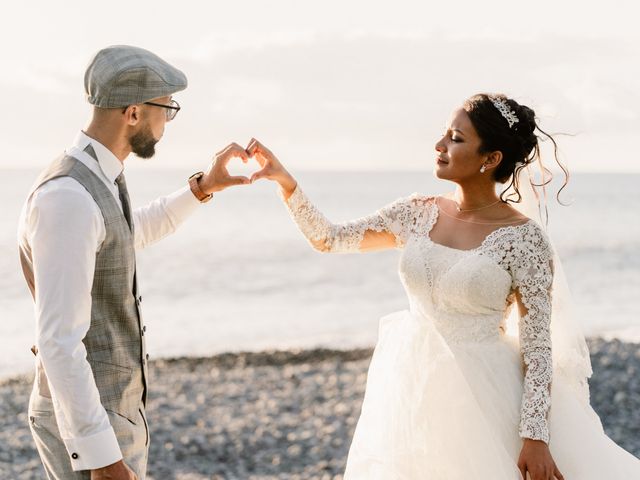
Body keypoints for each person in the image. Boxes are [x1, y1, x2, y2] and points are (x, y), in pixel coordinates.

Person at [246, 93, 640, 479]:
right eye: (444, 134)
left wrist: (535, 436)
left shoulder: (524, 239)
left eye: (456, 138)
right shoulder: (417, 212)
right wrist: (285, 182)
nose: (439, 145)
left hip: (485, 391)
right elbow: (329, 238)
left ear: (491, 158)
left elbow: (537, 348)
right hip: (409, 380)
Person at [17, 45, 251, 480]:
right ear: (133, 113)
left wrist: (204, 186)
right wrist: (105, 462)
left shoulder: (95, 177)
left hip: (107, 414)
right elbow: (58, 343)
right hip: (88, 425)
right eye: (167, 109)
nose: (167, 123)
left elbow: (128, 232)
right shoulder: (67, 197)